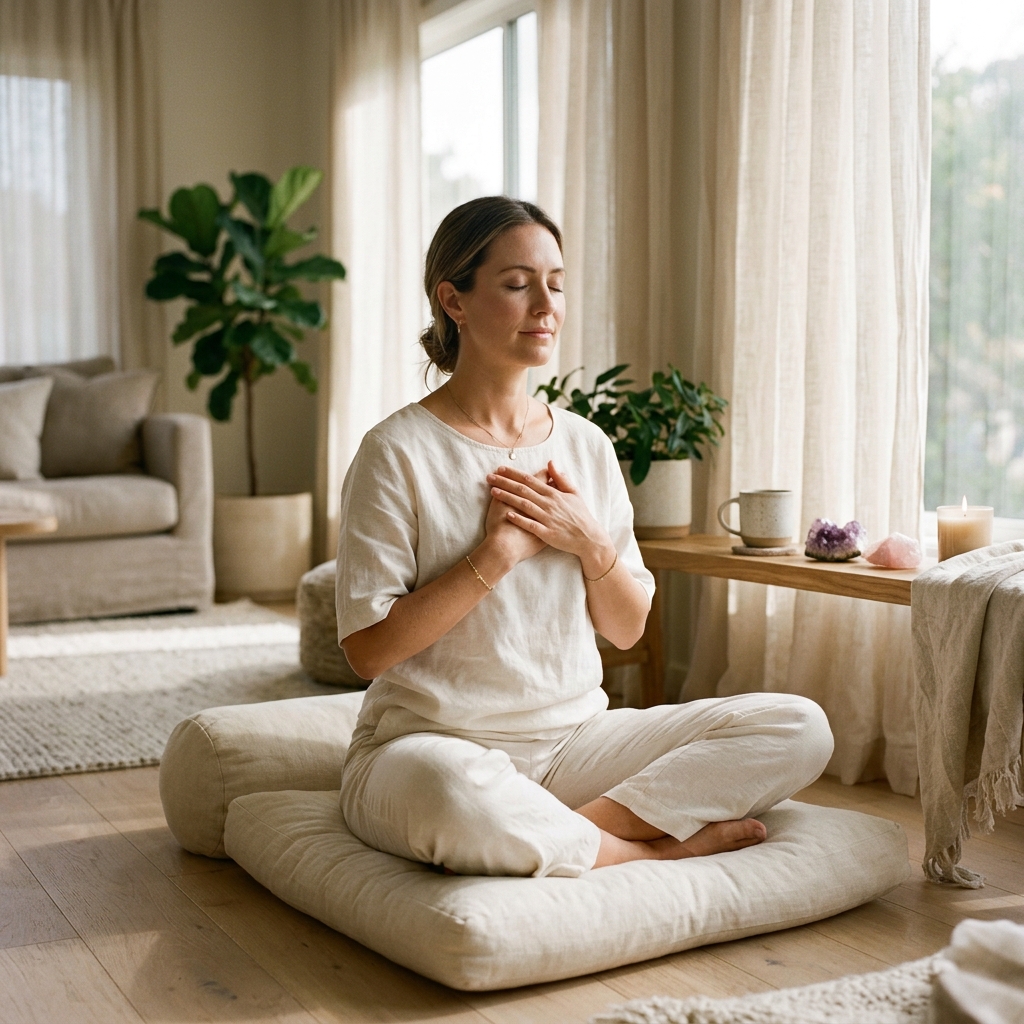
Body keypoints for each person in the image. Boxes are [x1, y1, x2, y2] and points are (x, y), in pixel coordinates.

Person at [336, 196, 834, 878]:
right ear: (454, 300)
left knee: (800, 727)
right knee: (453, 795)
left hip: (576, 744)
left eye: (557, 283)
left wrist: (591, 545)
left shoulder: (585, 445)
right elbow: (367, 651)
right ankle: (642, 848)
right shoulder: (395, 451)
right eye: (517, 285)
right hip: (433, 747)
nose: (546, 305)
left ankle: (559, 835)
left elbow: (627, 630)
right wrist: (496, 555)